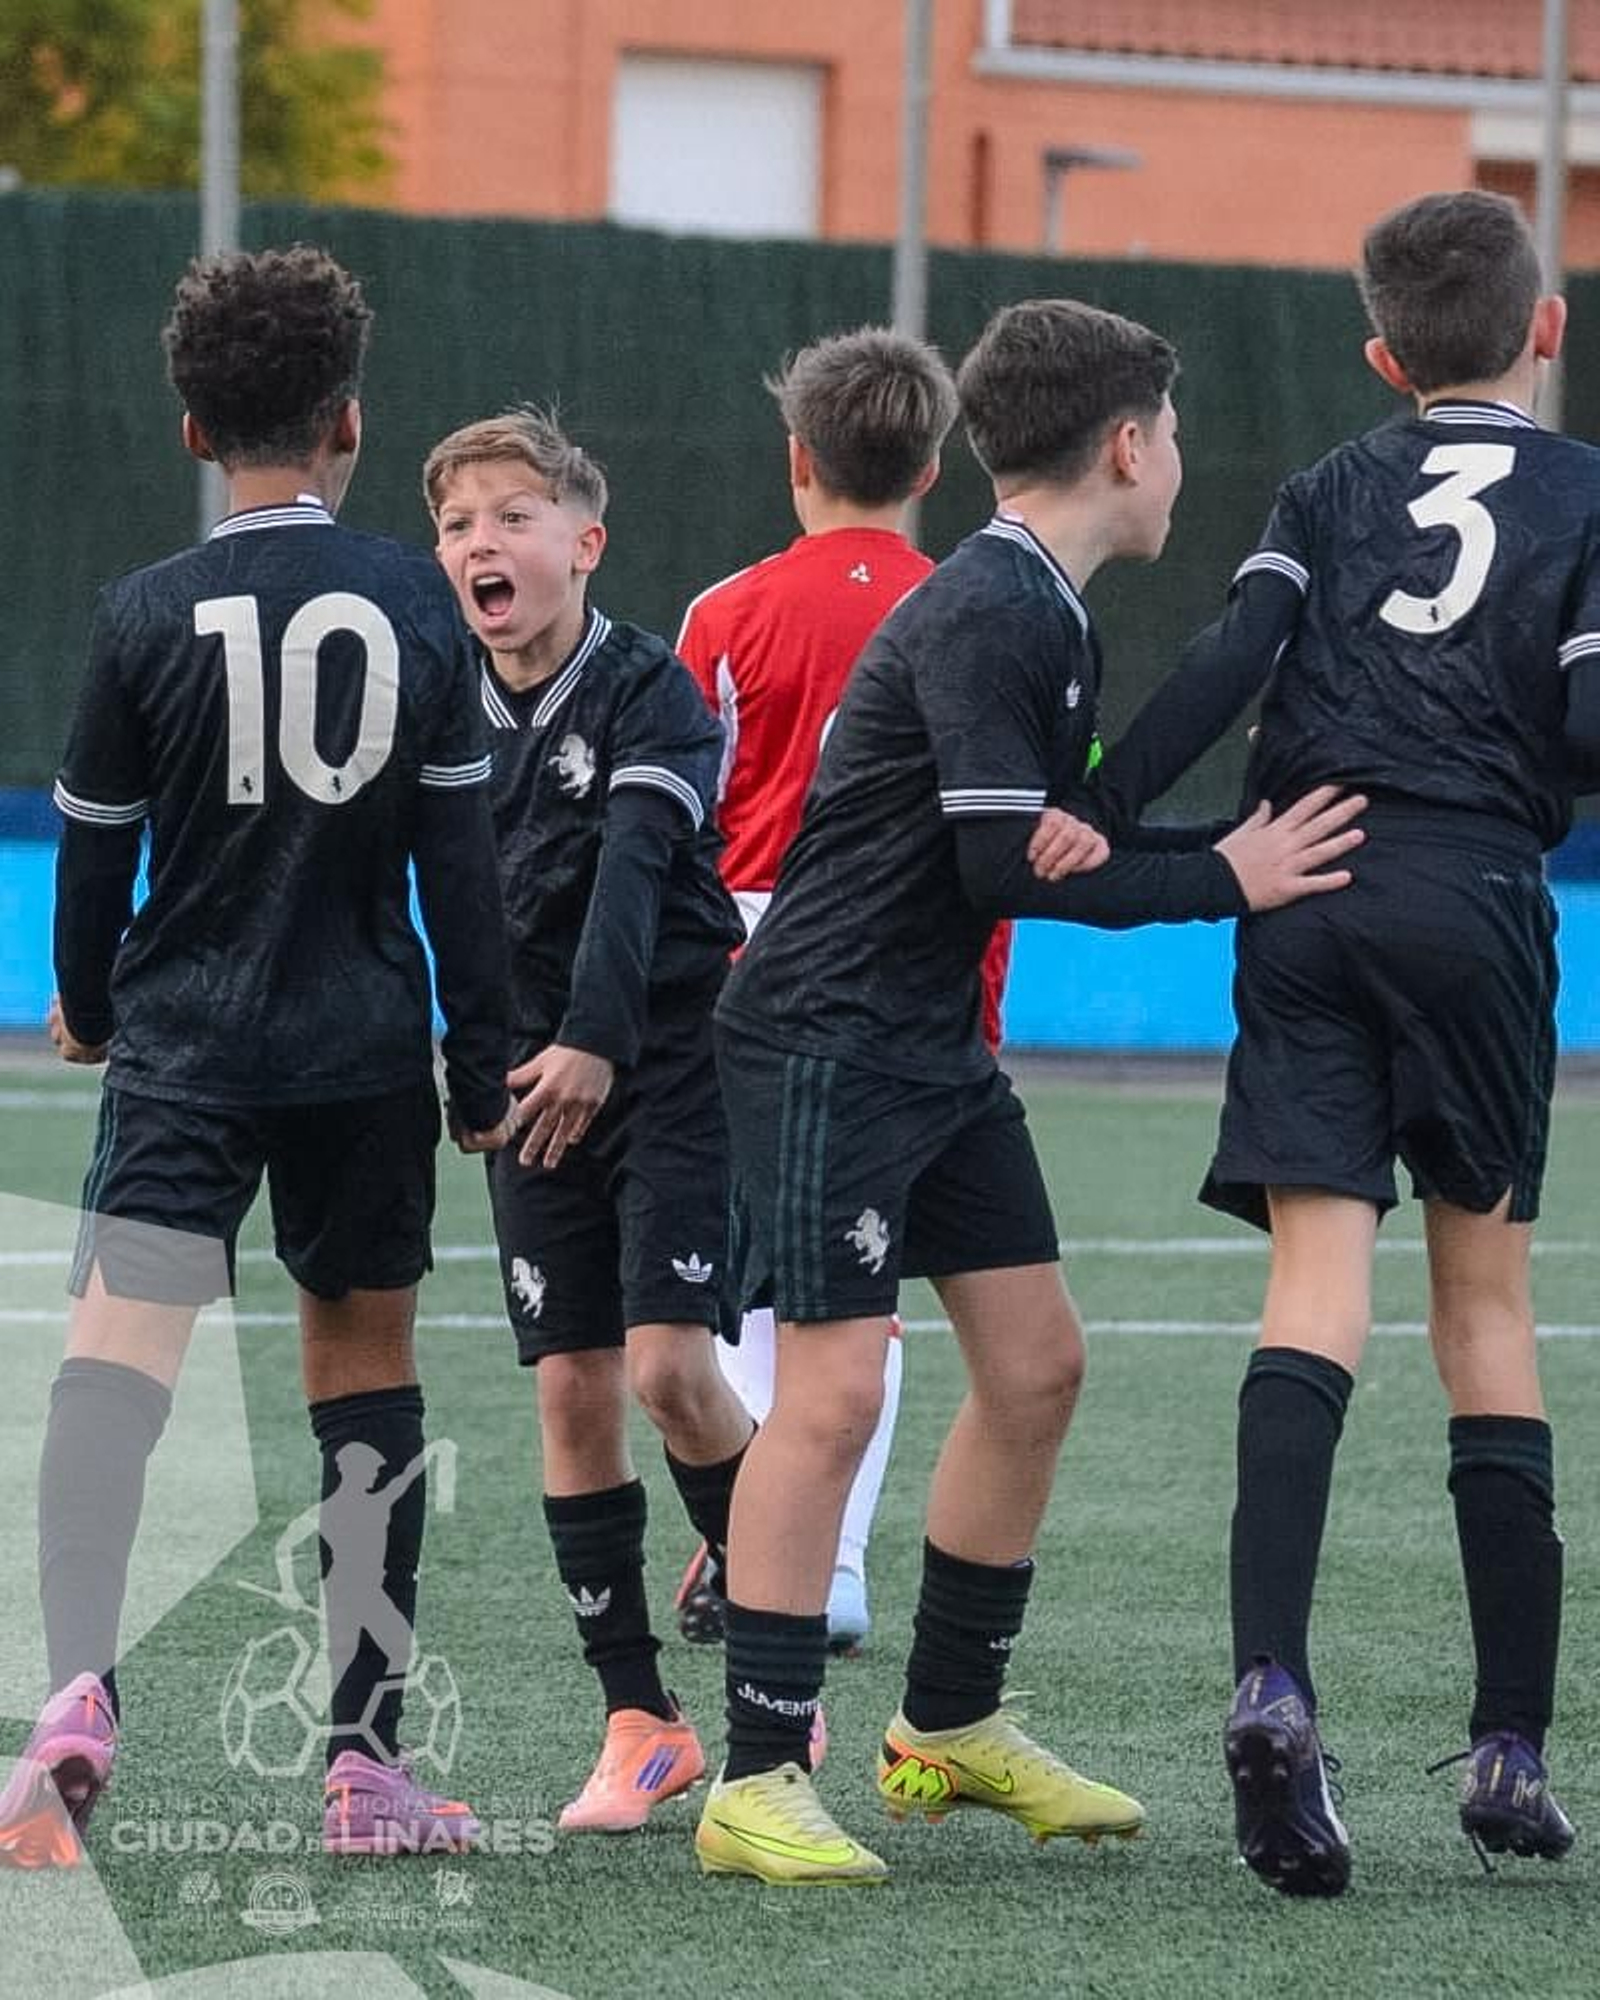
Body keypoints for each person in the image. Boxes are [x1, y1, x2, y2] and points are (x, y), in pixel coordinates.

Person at [692, 295, 1367, 1885]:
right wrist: (1228, 872)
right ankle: (755, 1777)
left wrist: (1111, 825)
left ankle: (943, 1730)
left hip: (929, 1047)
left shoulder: (1043, 604)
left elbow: (1056, 826)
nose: (1179, 462)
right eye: (1176, 436)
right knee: (837, 1392)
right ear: (1128, 446)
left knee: (1039, 1365)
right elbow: (1012, 855)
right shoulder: (998, 606)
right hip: (826, 1039)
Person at [1099, 189, 1586, 1896]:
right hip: (1472, 896)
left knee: (1314, 1290)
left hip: (1301, 879)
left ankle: (1272, 1680)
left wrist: (1101, 811)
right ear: (1549, 327)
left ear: (1383, 358)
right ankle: (1513, 1746)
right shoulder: (1589, 497)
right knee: (1486, 1307)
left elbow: (1229, 659)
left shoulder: (1327, 487)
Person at [0, 247, 511, 1870]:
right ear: (351, 420)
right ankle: (365, 1767)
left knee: (114, 1364)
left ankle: (75, 1693)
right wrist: (482, 1063)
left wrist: (87, 1003)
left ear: (190, 433)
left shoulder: (145, 611)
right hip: (362, 1051)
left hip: (190, 1049)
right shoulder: (420, 601)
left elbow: (94, 859)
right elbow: (464, 870)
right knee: (363, 1377)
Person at [424, 406, 759, 1835]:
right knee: (569, 1388)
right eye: (454, 525)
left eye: (509, 514)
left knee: (671, 1371)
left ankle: (778, 1654)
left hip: (669, 1060)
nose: (478, 543)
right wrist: (472, 1067)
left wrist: (595, 1046)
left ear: (584, 541)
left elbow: (635, 877)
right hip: (530, 1080)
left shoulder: (653, 692)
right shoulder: (436, 701)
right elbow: (443, 898)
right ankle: (641, 1721)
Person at [674, 325, 1016, 1657]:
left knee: (779, 1288)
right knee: (869, 1287)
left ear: (797, 457)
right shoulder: (968, 605)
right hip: (927, 976)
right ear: (931, 464)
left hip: (755, 977)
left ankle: (786, 1556)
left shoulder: (725, 611)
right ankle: (831, 1558)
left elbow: (684, 817)